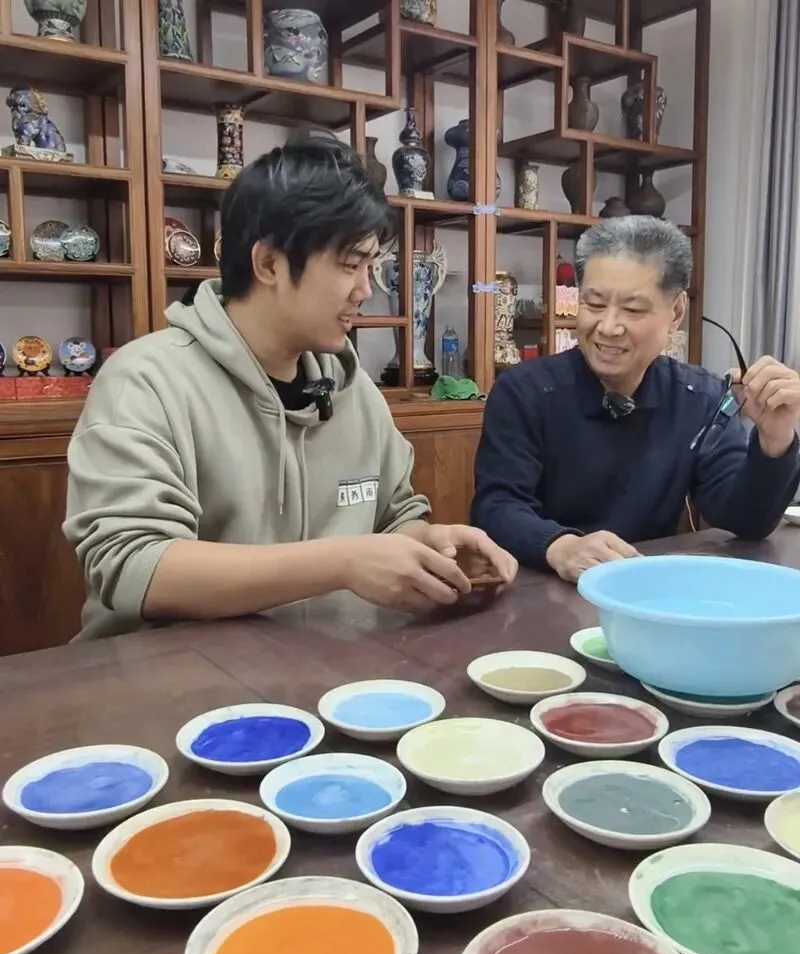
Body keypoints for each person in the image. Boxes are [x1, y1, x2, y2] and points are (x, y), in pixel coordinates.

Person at [64, 140, 516, 639]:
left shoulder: (353, 389)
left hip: (324, 661)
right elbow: (133, 567)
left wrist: (431, 546)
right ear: (269, 264)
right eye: (350, 265)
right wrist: (342, 563)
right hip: (170, 672)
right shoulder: (146, 381)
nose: (365, 290)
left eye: (369, 266)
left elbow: (394, 517)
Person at [471, 216, 800, 583]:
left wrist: (775, 439)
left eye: (632, 309)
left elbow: (747, 520)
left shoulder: (701, 398)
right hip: (543, 588)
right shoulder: (524, 391)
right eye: (594, 304)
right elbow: (497, 506)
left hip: (648, 588)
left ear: (676, 312)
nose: (608, 327)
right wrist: (560, 545)